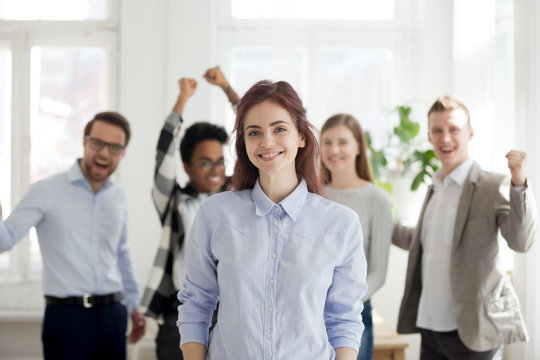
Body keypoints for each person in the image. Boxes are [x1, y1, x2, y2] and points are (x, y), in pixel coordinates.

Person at [178, 80, 368, 360]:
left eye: (279, 129)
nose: (267, 142)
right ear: (244, 141)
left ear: (301, 136)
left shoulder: (342, 224)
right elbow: (196, 302)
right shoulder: (215, 214)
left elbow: (345, 318)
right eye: (254, 132)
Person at [392, 96, 537, 360]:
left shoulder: (492, 185)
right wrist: (380, 224)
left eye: (453, 129)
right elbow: (424, 241)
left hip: (474, 331)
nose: (445, 138)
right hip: (431, 327)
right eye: (437, 130)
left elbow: (521, 241)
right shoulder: (435, 187)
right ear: (429, 136)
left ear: (470, 133)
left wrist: (519, 184)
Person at [0, 111, 146, 359]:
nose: (103, 153)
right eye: (97, 143)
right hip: (67, 319)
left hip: (113, 315)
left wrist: (134, 307)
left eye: (114, 147)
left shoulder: (118, 197)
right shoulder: (46, 191)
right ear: (84, 141)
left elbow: (122, 254)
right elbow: (6, 239)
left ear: (123, 153)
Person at [139, 67, 239, 360]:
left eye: (220, 162)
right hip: (179, 315)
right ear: (186, 166)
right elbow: (164, 152)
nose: (216, 170)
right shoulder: (172, 200)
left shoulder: (236, 198)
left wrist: (227, 89)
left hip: (230, 312)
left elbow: (251, 131)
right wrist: (182, 99)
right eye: (205, 162)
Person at [320, 113, 393, 360]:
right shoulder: (312, 195)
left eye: (342, 142)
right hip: (309, 309)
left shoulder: (377, 199)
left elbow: (378, 272)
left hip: (353, 311)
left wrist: (339, 304)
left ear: (359, 147)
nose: (333, 150)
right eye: (327, 142)